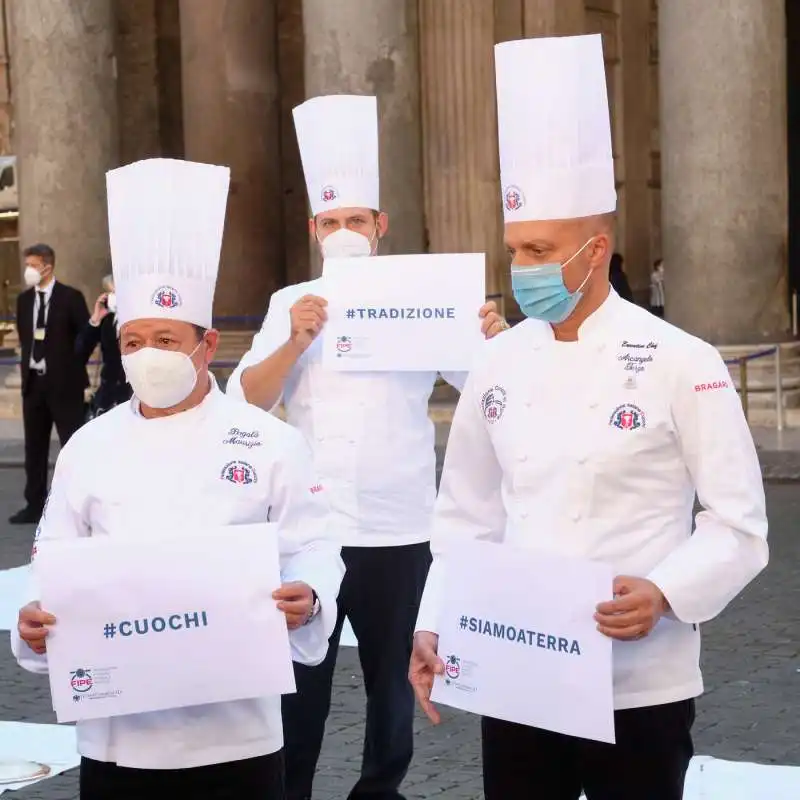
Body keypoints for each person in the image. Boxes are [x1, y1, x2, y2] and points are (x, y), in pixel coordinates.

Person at [409, 34, 768, 800]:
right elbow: (465, 517)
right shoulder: (496, 365)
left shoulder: (682, 360)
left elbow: (738, 523)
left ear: (596, 249)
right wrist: (436, 620)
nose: (523, 268)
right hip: (517, 675)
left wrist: (666, 591)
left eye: (541, 249)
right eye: (515, 251)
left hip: (638, 682)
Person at [12, 158, 345, 800]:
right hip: (119, 733)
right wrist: (36, 615)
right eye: (133, 341)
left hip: (238, 730)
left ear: (206, 342)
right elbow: (53, 554)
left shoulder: (269, 440)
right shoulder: (89, 445)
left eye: (166, 337)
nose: (147, 355)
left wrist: (308, 595)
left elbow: (312, 544)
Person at [226, 94, 509, 800]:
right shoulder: (291, 300)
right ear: (315, 228)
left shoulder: (421, 292)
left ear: (380, 226)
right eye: (332, 221)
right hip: (310, 527)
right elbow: (247, 401)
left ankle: (379, 791)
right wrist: (294, 338)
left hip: (398, 521)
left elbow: (483, 382)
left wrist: (493, 333)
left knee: (392, 681)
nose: (344, 230)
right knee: (299, 682)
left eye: (356, 220)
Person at [10, 243, 90, 525]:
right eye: (27, 264)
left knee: (72, 446)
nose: (28, 270)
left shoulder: (71, 297)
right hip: (34, 385)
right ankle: (34, 505)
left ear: (47, 266)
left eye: (33, 264)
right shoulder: (23, 301)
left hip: (65, 386)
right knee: (34, 448)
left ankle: (78, 507)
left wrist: (71, 367)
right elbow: (26, 338)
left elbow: (85, 338)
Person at [76, 273, 132, 418]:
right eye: (111, 292)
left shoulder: (144, 320)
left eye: (116, 292)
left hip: (135, 397)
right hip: (109, 399)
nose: (113, 296)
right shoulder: (107, 319)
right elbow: (79, 353)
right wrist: (95, 320)